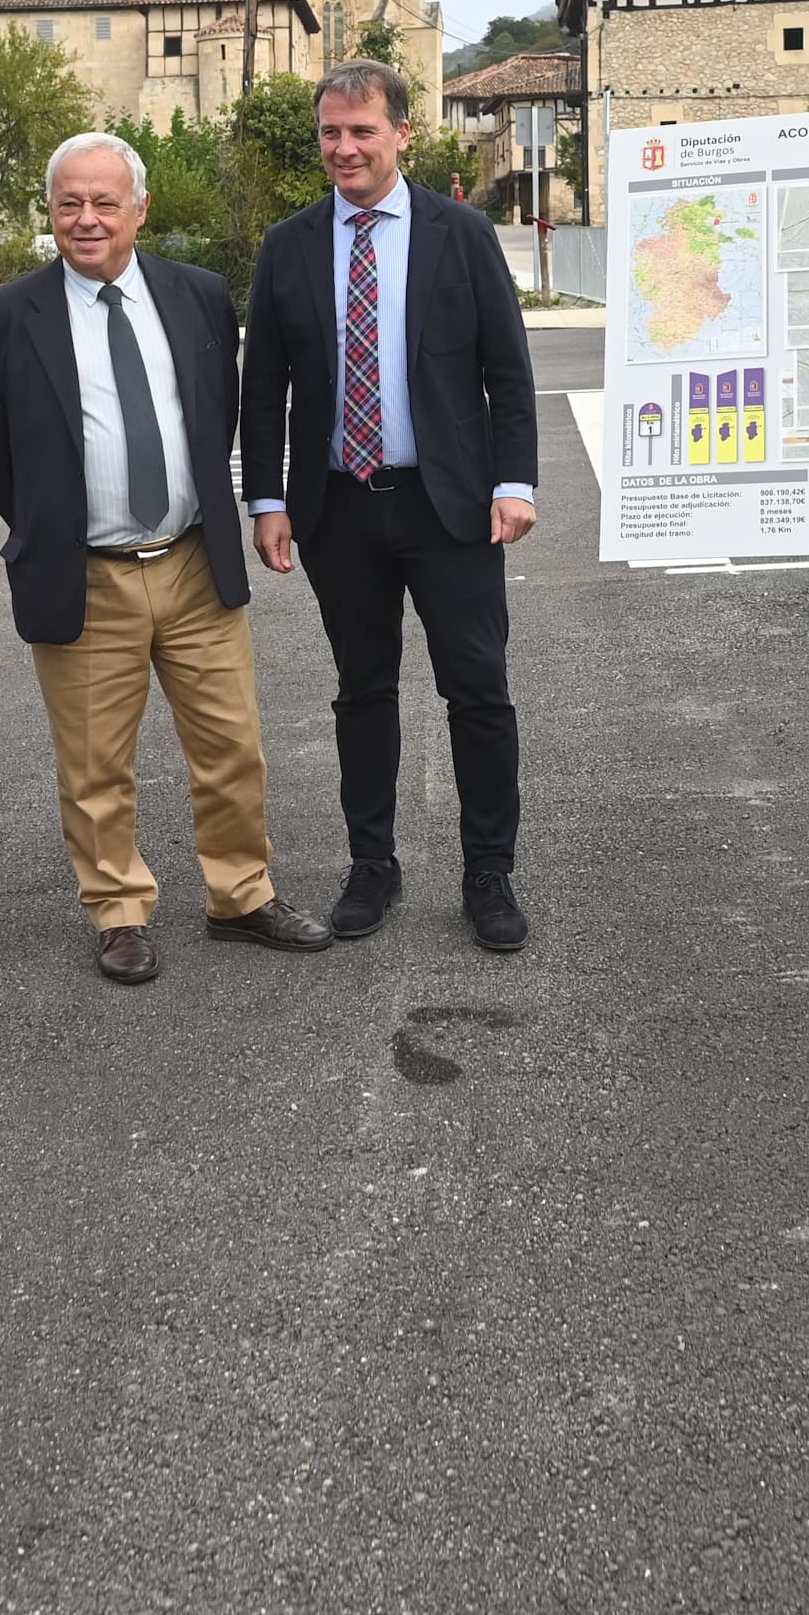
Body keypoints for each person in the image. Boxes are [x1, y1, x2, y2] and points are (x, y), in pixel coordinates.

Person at [0, 132, 334, 980]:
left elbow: (216, 415)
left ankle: (242, 896)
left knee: (233, 743)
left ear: (140, 209)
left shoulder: (197, 296)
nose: (87, 220)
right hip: (85, 577)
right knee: (96, 765)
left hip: (196, 564)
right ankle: (118, 911)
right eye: (69, 203)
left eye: (105, 203)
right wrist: (51, 523)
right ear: (49, 211)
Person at [240, 60, 541, 953]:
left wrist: (514, 483)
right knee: (361, 692)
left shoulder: (461, 234)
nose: (344, 148)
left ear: (402, 134)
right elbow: (264, 392)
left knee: (477, 692)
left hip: (449, 510)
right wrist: (267, 497)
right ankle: (372, 864)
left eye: (362, 131)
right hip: (338, 510)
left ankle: (489, 871)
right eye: (331, 132)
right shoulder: (289, 245)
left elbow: (507, 373)